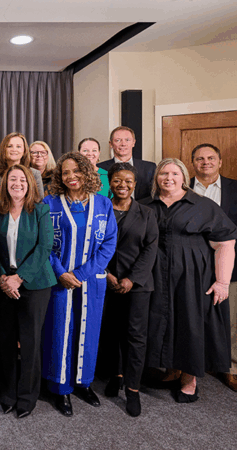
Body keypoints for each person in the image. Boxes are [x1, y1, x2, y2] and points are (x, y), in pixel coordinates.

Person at [143, 158, 236, 403]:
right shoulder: (146, 205)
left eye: (175, 173)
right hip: (155, 275)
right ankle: (171, 370)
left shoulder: (203, 205)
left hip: (193, 276)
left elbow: (225, 244)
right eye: (163, 173)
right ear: (156, 178)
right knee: (161, 321)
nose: (169, 178)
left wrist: (222, 282)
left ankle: (189, 379)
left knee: (190, 324)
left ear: (184, 177)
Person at [42, 152, 117, 417]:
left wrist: (83, 274)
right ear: (59, 177)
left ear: (87, 172)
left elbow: (108, 244)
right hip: (59, 281)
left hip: (91, 282)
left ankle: (83, 383)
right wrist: (61, 272)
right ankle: (60, 388)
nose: (71, 176)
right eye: (65, 173)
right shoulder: (49, 203)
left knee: (89, 331)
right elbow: (44, 243)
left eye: (77, 171)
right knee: (60, 331)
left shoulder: (104, 204)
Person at [0, 165, 56, 418]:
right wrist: (4, 278)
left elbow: (45, 246)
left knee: (30, 342)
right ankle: (7, 394)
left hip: (35, 284)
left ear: (30, 184)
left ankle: (27, 396)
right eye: (12, 179)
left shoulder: (40, 210)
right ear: (5, 184)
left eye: (22, 180)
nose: (17, 183)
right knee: (5, 341)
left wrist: (20, 278)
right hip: (3, 283)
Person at [101, 163, 158, 417]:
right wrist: (107, 275)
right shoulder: (100, 210)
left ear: (135, 184)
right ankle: (116, 375)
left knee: (135, 337)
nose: (122, 185)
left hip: (137, 286)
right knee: (111, 332)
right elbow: (91, 246)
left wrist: (131, 279)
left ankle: (133, 389)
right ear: (109, 182)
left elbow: (150, 250)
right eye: (117, 180)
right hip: (105, 281)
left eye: (128, 180)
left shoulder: (146, 213)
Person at [189, 143, 237, 391]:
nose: (205, 162)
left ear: (219, 161)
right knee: (193, 314)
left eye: (210, 158)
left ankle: (231, 368)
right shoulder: (183, 188)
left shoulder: (235, 188)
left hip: (231, 262)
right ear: (193, 163)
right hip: (193, 263)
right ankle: (193, 363)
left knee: (232, 318)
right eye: (199, 158)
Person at [97, 126, 156, 201]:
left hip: (142, 211)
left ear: (133, 142)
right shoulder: (99, 168)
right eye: (118, 140)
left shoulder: (149, 168)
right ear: (111, 144)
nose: (123, 144)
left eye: (127, 140)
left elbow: (154, 196)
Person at [0, 132, 44, 199]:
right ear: (4, 149)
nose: (14, 150)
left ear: (24, 151)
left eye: (18, 146)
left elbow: (39, 200)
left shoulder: (34, 174)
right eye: (9, 146)